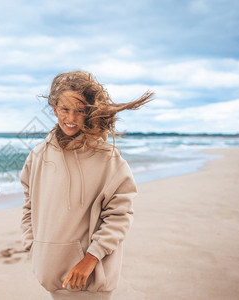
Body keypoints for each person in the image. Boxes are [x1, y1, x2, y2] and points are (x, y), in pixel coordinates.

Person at [20, 70, 154, 299]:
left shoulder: (108, 159)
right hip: (52, 276)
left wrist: (91, 258)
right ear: (54, 110)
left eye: (79, 111)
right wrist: (34, 248)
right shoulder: (38, 156)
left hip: (91, 280)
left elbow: (120, 215)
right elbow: (29, 207)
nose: (70, 118)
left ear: (89, 112)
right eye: (65, 109)